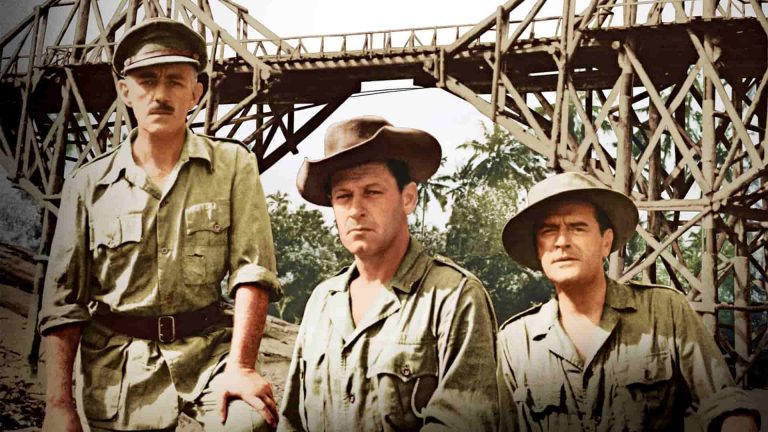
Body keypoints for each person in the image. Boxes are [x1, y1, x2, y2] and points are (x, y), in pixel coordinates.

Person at [38, 17, 282, 432]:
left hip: (208, 355)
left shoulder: (233, 166)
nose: (161, 95)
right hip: (118, 366)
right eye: (147, 81)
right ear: (125, 91)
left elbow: (252, 273)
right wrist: (58, 405)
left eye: (175, 81)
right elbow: (64, 304)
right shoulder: (88, 184)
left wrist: (241, 367)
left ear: (196, 92)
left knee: (249, 422)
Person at [278, 115, 499, 431]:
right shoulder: (322, 302)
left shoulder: (453, 297)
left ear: (407, 199)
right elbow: (292, 421)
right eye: (343, 196)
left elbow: (463, 421)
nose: (356, 210)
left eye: (372, 192)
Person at [496, 171, 761, 431]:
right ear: (539, 248)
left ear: (606, 241)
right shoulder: (515, 341)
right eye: (549, 230)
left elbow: (726, 404)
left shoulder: (664, 311)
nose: (562, 241)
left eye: (578, 228)